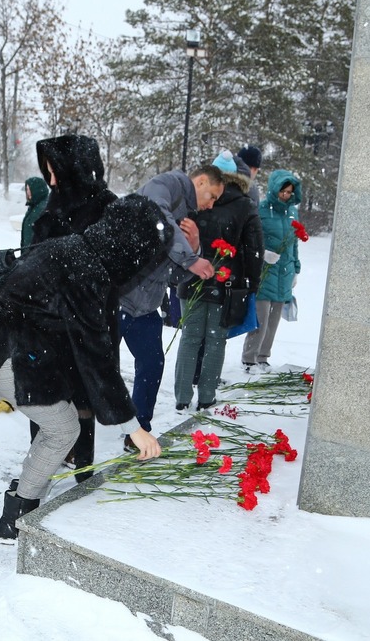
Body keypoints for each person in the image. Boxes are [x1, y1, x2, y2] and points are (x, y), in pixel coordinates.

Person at [0, 195, 168, 543]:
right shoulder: (86, 269)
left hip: (11, 345)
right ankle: (18, 513)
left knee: (59, 423)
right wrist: (133, 427)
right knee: (63, 428)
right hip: (3, 350)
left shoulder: (75, 248)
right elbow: (96, 357)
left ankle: (25, 493)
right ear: (128, 248)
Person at [28, 134, 118, 480]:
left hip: (86, 322)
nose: (51, 180)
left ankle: (83, 470)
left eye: (55, 172)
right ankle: (39, 473)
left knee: (83, 397)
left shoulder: (106, 205)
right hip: (47, 319)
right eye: (47, 173)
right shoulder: (54, 203)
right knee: (45, 397)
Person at [116, 165, 224, 445]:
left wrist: (195, 246)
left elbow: (173, 275)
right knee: (94, 366)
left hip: (145, 305)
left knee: (152, 364)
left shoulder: (186, 215)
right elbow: (157, 217)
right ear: (200, 182)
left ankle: (139, 433)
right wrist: (191, 257)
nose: (211, 204)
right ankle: (72, 435)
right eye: (211, 196)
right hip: (115, 297)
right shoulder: (167, 184)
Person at [174, 151, 263, 411]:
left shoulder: (193, 199)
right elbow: (254, 249)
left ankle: (181, 397)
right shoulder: (246, 206)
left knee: (190, 338)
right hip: (226, 284)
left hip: (191, 277)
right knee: (215, 340)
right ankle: (206, 396)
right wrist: (252, 285)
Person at [242, 170, 302, 373]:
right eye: (282, 191)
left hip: (284, 271)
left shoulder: (292, 212)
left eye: (289, 192)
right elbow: (251, 238)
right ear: (274, 189)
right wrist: (263, 254)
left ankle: (263, 356)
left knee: (275, 318)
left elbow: (294, 242)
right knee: (260, 317)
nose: (285, 195)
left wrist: (295, 268)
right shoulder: (261, 209)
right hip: (265, 270)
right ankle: (249, 358)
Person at [20, 176, 49, 248]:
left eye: (29, 189)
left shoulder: (41, 209)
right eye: (26, 189)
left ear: (37, 190)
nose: (28, 192)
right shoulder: (34, 206)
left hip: (34, 254)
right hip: (30, 254)